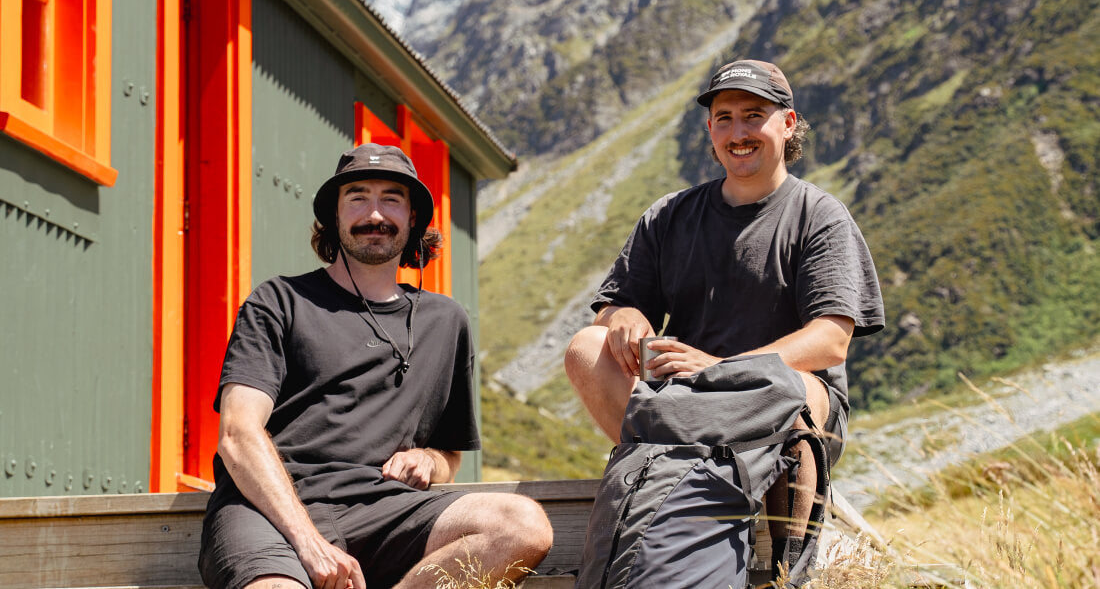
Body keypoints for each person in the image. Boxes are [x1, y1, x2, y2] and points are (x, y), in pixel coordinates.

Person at [564, 59, 885, 582]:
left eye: (753, 116)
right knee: (585, 346)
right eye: (724, 117)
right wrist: (624, 318)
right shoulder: (670, 214)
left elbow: (831, 341)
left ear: (787, 123)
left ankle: (744, 501)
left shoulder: (819, 214)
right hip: (688, 399)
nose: (738, 132)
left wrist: (720, 366)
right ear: (710, 129)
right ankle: (658, 465)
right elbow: (614, 303)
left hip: (775, 394)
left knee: (798, 387)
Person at [199, 143, 553, 589]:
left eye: (391, 199)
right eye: (357, 197)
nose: (375, 214)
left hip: (385, 511)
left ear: (413, 219)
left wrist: (428, 459)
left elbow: (448, 455)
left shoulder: (445, 321)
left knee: (521, 526)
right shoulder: (278, 301)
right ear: (334, 217)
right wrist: (308, 542)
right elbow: (237, 434)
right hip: (268, 511)